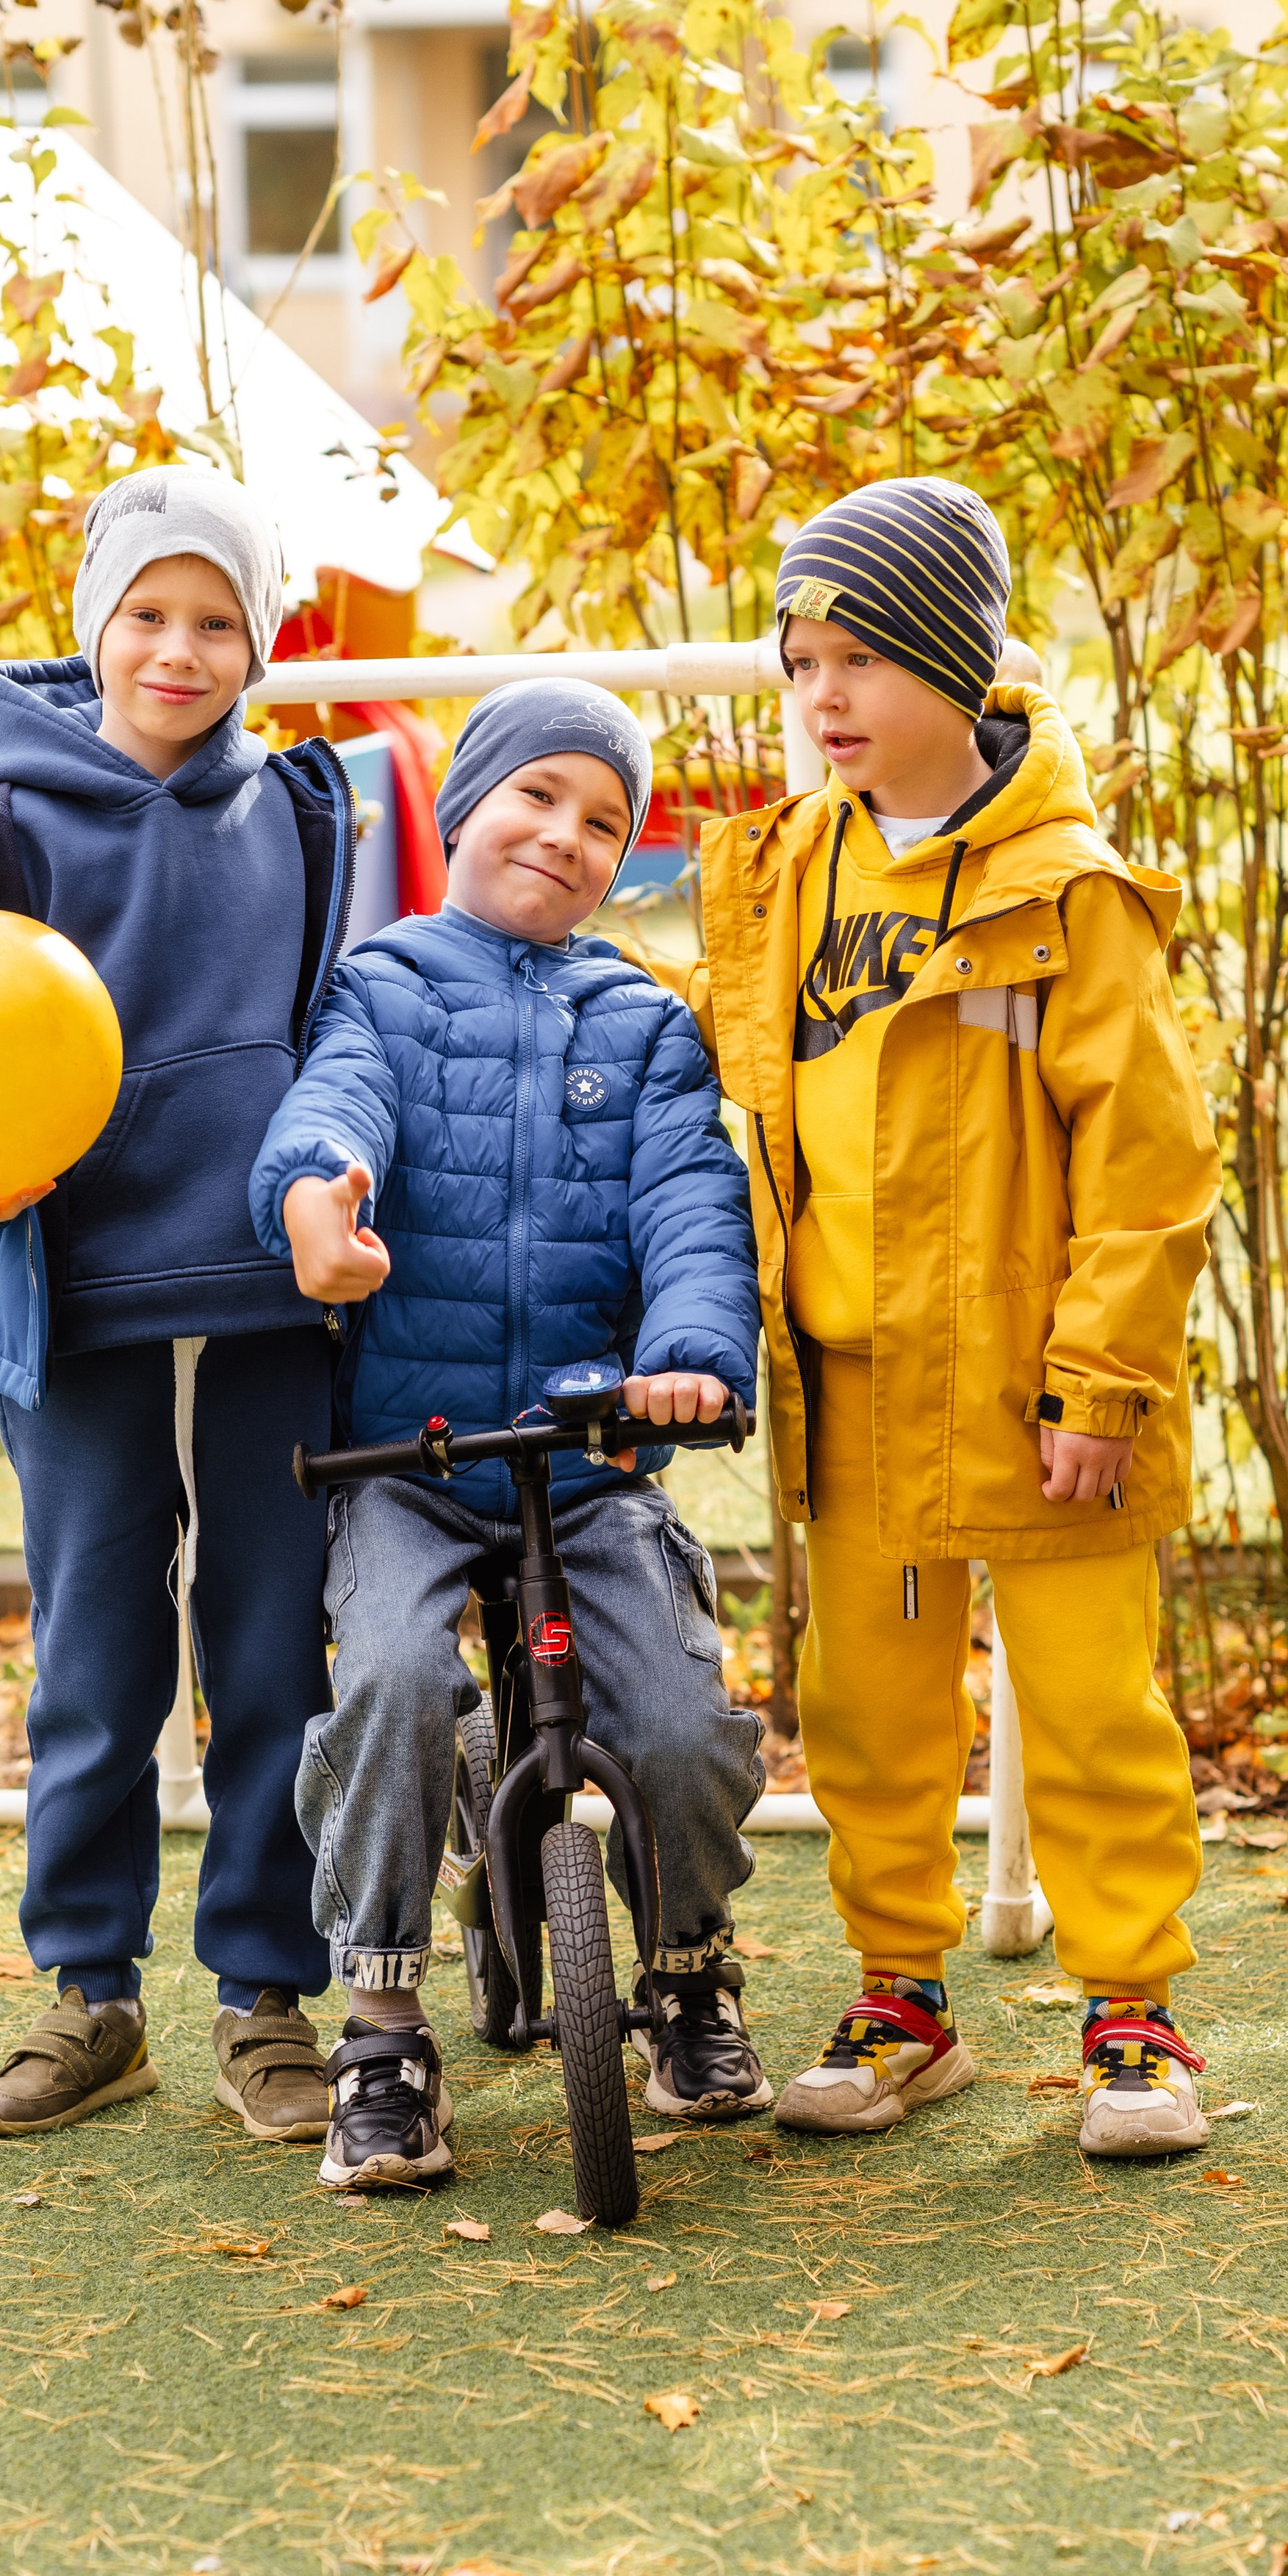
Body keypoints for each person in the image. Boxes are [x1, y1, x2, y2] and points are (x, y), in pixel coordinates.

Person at [629, 476, 1220, 2158]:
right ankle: (899, 1995)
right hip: (854, 1380)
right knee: (870, 1714)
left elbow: (1152, 1167)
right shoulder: (785, 871)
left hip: (1039, 1392)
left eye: (862, 659)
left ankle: (1131, 2018)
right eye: (800, 659)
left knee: (1094, 1708)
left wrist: (1097, 1386)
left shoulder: (1064, 889)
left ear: (955, 671)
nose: (822, 699)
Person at [0, 465, 350, 2143]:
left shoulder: (297, 814)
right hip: (76, 1298)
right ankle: (90, 1994)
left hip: (274, 1296)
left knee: (275, 1645)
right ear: (96, 623)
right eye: (147, 613)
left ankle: (268, 1996)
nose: (179, 650)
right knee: (95, 1654)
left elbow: (337, 1038)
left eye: (218, 621)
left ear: (259, 643)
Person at [250, 681, 769, 2190]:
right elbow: (332, 1110)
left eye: (604, 820)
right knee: (400, 1681)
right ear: (461, 805)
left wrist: (684, 1358)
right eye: (536, 795)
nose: (565, 835)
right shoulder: (384, 984)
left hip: (585, 1454)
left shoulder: (644, 1026)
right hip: (410, 1462)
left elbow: (689, 1208)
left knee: (674, 1718)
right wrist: (317, 1198)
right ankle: (380, 2023)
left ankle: (685, 1965)